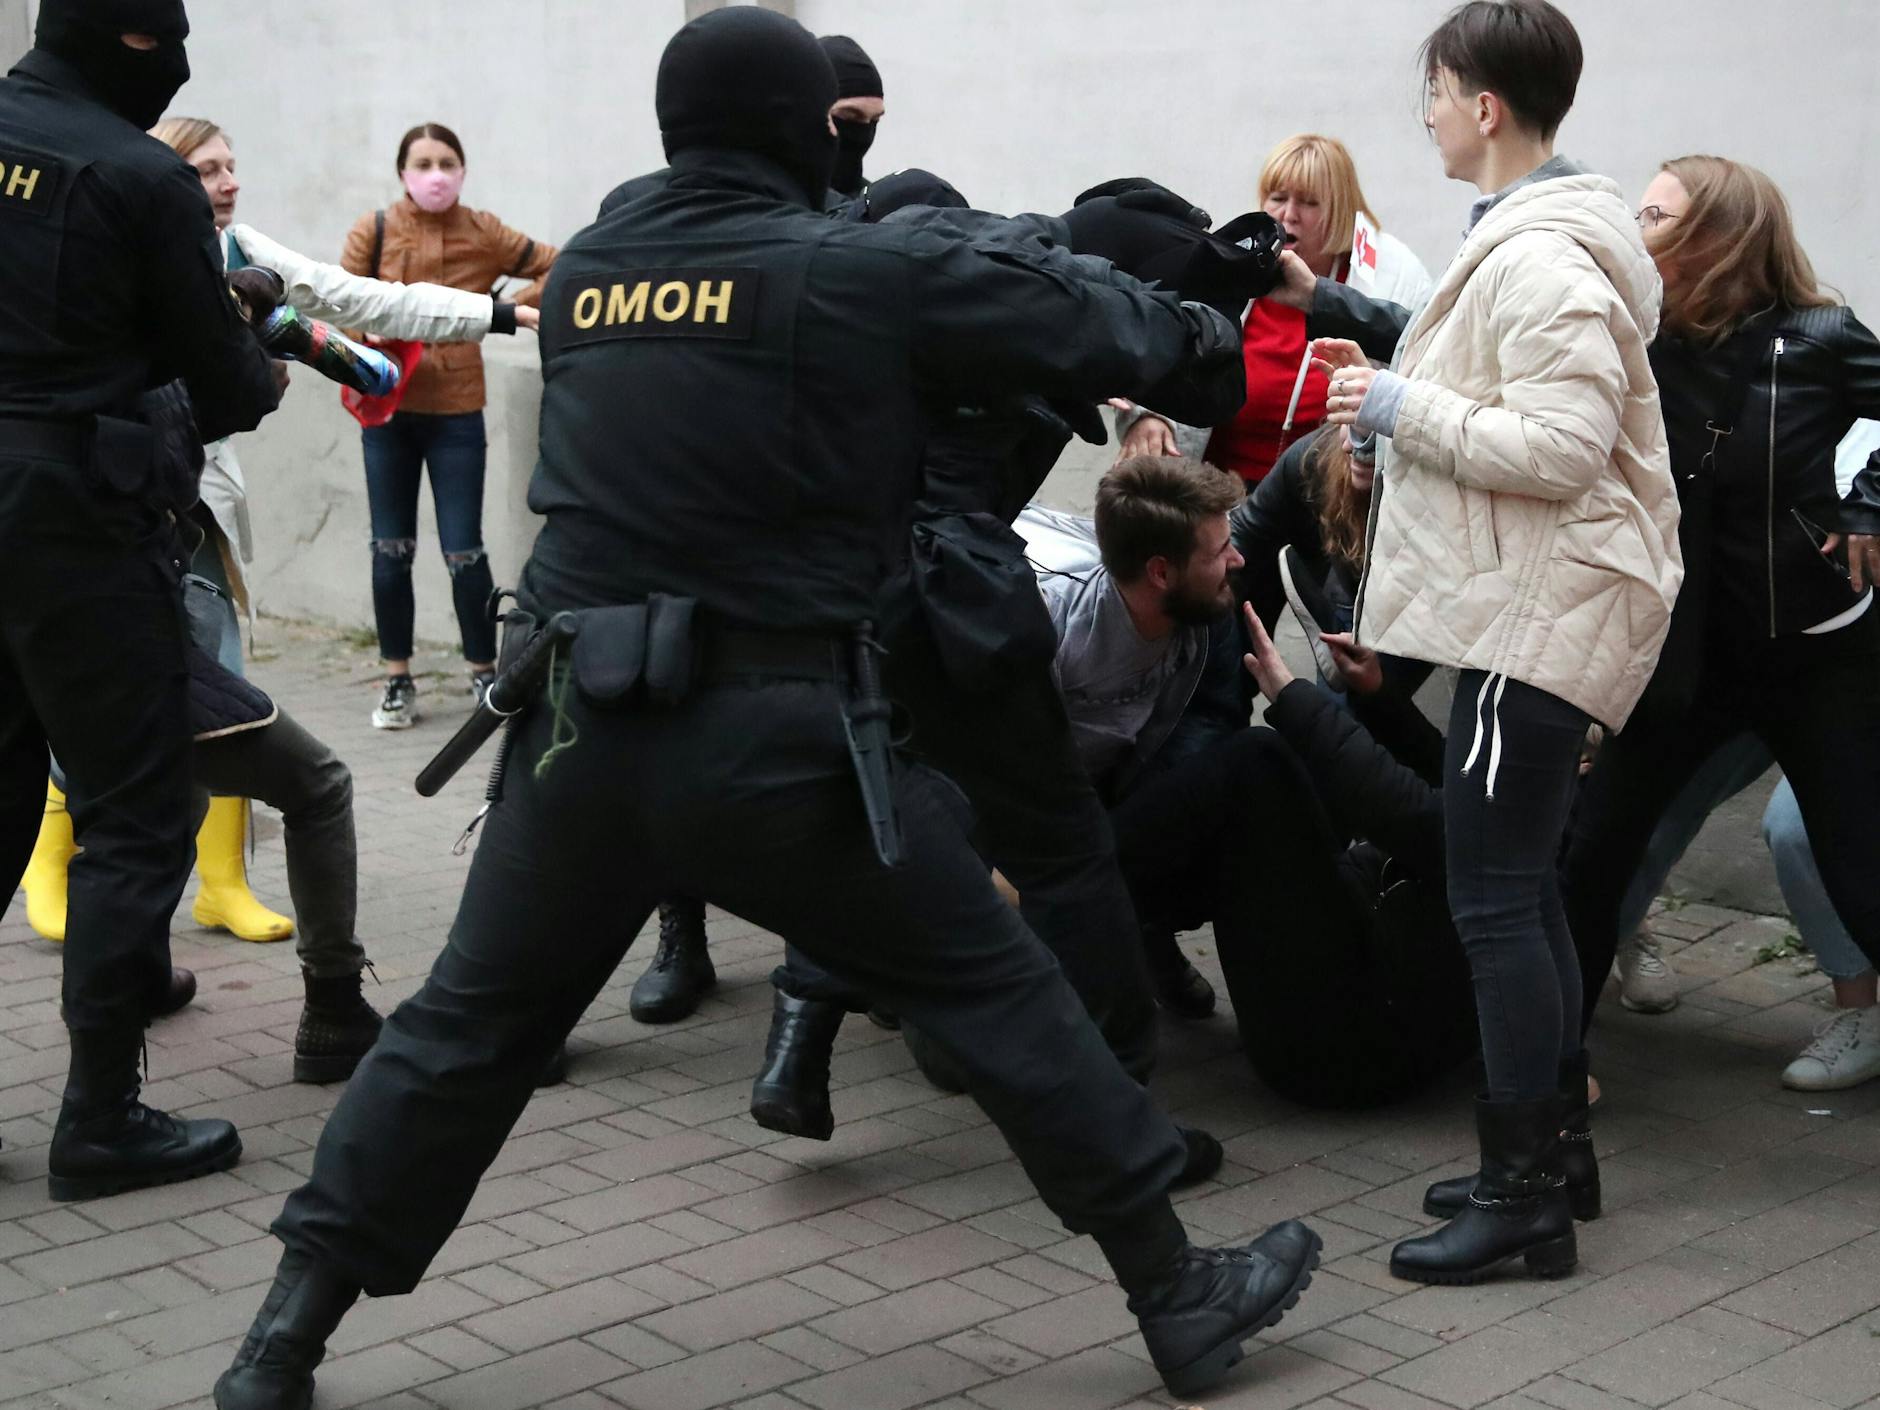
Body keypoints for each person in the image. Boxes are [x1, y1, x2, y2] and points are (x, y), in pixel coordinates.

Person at [209, 13, 1323, 1409]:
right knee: (997, 988)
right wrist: (1208, 306)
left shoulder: (605, 258)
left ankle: (278, 1343)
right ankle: (1177, 1293)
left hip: (580, 726)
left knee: (458, 1035)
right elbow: (1096, 318)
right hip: (783, 733)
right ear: (811, 127)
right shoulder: (852, 265)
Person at [1310, 0, 1681, 1284]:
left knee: (1491, 904)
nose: (1421, 114)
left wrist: (1404, 405)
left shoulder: (1541, 259)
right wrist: (1393, 413)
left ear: (1482, 106)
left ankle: (1523, 1194)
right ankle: (1549, 1157)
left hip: (1539, 621)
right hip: (1522, 613)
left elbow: (1564, 449)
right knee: (1519, 895)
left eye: (1433, 90)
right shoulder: (1523, 244)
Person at [0, 0, 281, 1196]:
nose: (176, 70)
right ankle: (101, 1119)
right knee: (133, 809)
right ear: (129, 42)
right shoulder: (137, 173)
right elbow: (219, 387)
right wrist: (255, 341)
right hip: (74, 515)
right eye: (166, 44)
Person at [1560, 155, 1880, 1078]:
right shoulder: (1641, 338)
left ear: (1716, 237)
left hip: (1816, 658)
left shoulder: (1821, 336)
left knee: (1861, 869)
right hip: (1690, 659)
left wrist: (1868, 505)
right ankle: (1547, 1083)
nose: (1636, 224)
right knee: (1593, 857)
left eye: (1655, 214)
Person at [634, 31, 894, 1027]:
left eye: (869, 126)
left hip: (805, 520)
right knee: (666, 718)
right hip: (688, 509)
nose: (854, 143)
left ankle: (818, 974)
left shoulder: (857, 220)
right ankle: (679, 932)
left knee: (813, 755)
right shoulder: (680, 215)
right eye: (841, 124)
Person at [340, 122, 558, 730]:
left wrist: (500, 316)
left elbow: (555, 262)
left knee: (465, 551)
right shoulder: (375, 230)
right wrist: (370, 334)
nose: (436, 174)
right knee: (391, 548)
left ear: (462, 170)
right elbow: (338, 308)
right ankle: (397, 678)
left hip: (457, 411)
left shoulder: (482, 230)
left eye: (447, 162)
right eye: (423, 163)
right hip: (389, 412)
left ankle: (484, 670)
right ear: (403, 171)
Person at [1117, 134, 1432, 484]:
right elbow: (1167, 339)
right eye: (1277, 199)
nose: (1288, 215)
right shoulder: (1231, 262)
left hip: (1325, 501)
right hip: (1219, 497)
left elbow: (1415, 388)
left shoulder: (1388, 278)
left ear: (1341, 210)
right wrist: (1149, 417)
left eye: (1309, 203)